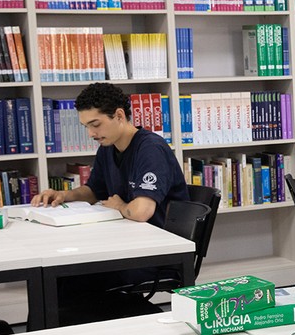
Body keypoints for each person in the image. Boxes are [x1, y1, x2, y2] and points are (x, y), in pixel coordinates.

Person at [31, 83, 189, 227]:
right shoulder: (107, 147)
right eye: (86, 127)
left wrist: (119, 206)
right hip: (130, 231)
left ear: (119, 115)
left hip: (164, 238)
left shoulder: (151, 149)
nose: (90, 134)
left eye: (95, 124)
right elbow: (94, 191)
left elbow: (142, 211)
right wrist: (64, 195)